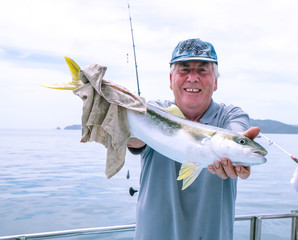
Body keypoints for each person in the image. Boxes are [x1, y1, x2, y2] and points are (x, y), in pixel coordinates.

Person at [127, 38, 260, 240]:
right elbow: (133, 140)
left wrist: (241, 147)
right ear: (171, 79)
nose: (192, 78)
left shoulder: (230, 116)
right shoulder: (153, 112)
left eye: (202, 70)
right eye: (184, 69)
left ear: (215, 82)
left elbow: (238, 133)